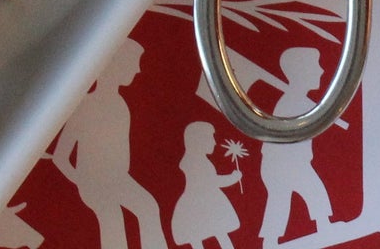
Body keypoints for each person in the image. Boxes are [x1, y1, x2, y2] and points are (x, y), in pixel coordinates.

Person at [50, 38, 169, 249]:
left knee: (148, 206)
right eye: (133, 63)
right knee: (113, 218)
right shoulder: (84, 104)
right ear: (116, 64)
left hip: (119, 179)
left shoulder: (120, 105)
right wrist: (83, 181)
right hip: (94, 183)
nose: (138, 69)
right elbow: (61, 157)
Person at [254, 47, 340, 246]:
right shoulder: (293, 102)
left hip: (289, 164)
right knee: (295, 197)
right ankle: (272, 240)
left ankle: (274, 239)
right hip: (282, 165)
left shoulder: (301, 101)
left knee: (304, 194)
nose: (322, 71)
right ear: (301, 72)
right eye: (316, 66)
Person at [170, 121, 241, 249]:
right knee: (211, 230)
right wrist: (233, 177)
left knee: (204, 233)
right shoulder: (198, 162)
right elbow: (213, 181)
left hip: (199, 201)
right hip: (203, 202)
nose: (214, 142)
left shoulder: (196, 160)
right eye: (211, 137)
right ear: (198, 140)